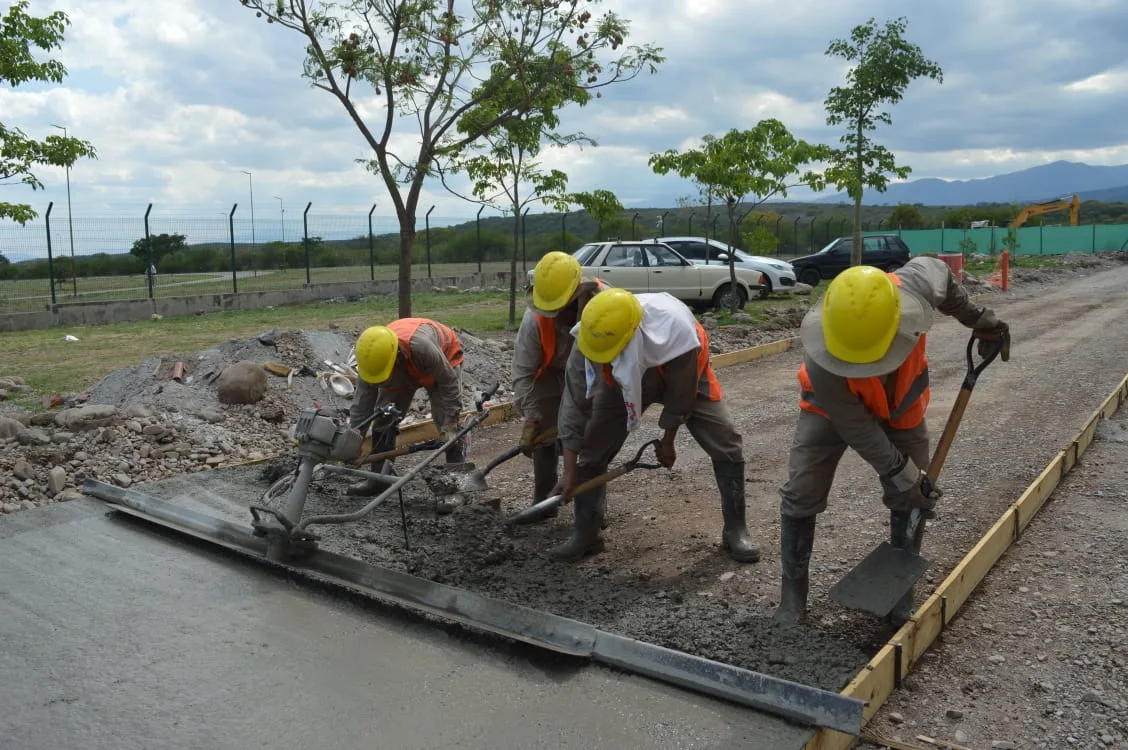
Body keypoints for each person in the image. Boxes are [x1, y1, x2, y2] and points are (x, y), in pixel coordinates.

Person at [774, 259, 1011, 626]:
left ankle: (900, 595)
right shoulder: (821, 354)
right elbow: (857, 428)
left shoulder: (916, 284)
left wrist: (980, 320)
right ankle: (792, 599)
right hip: (830, 410)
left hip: (902, 407)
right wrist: (899, 470)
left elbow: (945, 278)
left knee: (913, 494)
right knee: (803, 489)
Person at [550, 287, 760, 563]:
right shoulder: (589, 338)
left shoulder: (677, 332)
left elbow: (680, 397)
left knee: (726, 440)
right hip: (623, 382)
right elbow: (574, 407)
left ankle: (735, 529)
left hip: (683, 368)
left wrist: (668, 441)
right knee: (593, 445)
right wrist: (569, 471)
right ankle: (586, 533)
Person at [510, 251, 606, 522]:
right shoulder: (534, 320)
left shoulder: (604, 306)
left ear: (578, 294)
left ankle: (591, 512)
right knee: (544, 428)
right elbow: (522, 372)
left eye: (559, 309)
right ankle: (544, 501)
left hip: (594, 373)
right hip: (551, 373)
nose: (552, 316)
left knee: (590, 436)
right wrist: (531, 417)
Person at [348, 318, 468, 500]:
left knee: (447, 424)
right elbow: (361, 406)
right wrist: (353, 441)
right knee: (384, 419)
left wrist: (450, 423)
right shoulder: (372, 363)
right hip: (405, 367)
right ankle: (380, 479)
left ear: (397, 360)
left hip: (443, 359)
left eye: (383, 380)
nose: (380, 384)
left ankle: (457, 482)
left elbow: (449, 384)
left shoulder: (423, 349)